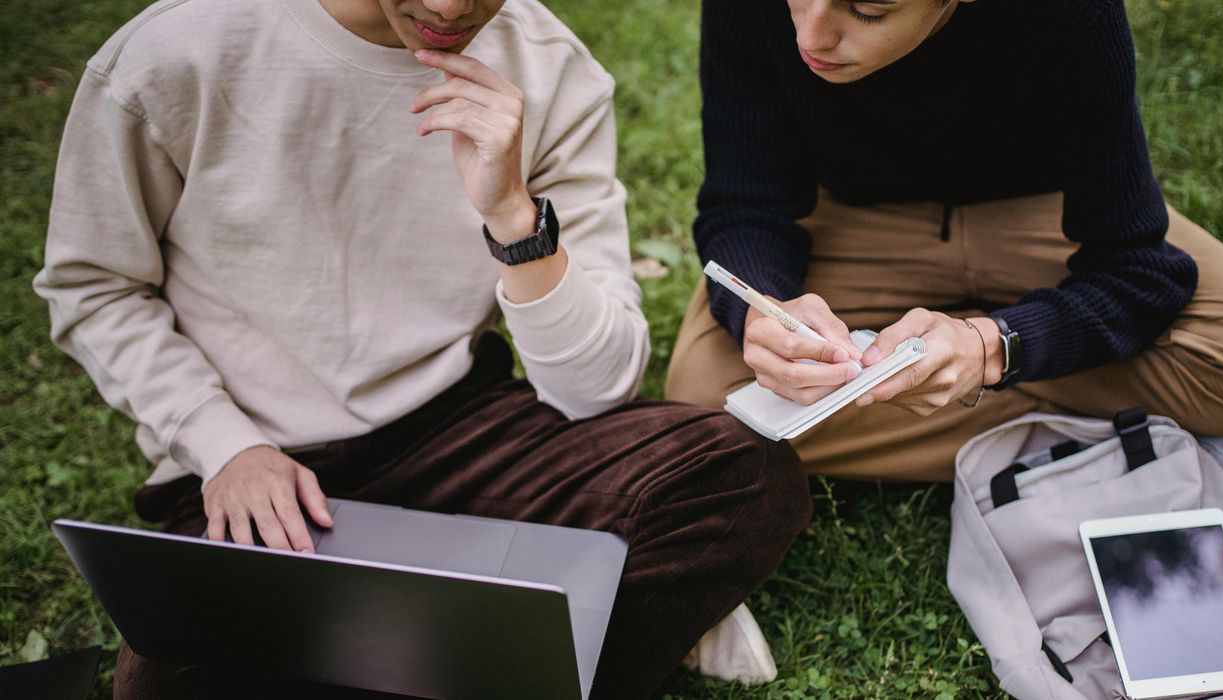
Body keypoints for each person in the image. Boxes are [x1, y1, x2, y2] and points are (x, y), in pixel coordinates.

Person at [33, 0, 811, 696]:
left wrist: (514, 218)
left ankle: (436, 643)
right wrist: (222, 445)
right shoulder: (179, 54)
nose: (449, 7)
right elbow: (95, 287)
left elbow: (597, 388)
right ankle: (537, 636)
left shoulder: (548, 66)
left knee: (742, 473)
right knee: (176, 680)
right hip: (258, 467)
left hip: (465, 430)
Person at [666, 0, 1223, 483]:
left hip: (1042, 211)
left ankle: (968, 373)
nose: (810, 34)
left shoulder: (1071, 11)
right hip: (853, 222)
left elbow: (1137, 267)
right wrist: (765, 309)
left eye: (867, 8)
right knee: (699, 404)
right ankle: (1100, 416)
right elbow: (745, 206)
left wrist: (995, 345)